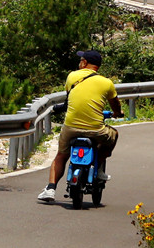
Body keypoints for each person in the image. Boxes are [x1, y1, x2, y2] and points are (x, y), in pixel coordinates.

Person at [38, 49, 121, 203]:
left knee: (61, 155)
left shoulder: (72, 77)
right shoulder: (106, 83)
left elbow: (71, 99)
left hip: (71, 128)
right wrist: (117, 113)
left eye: (80, 60)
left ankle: (50, 188)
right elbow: (115, 103)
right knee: (114, 135)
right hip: (95, 129)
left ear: (84, 63)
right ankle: (99, 170)